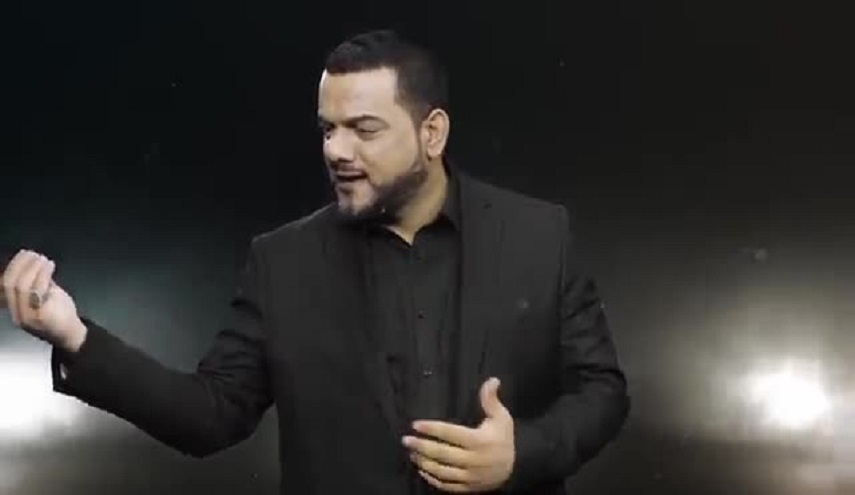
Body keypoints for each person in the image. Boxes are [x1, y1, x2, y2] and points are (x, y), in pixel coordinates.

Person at [1, 29, 629, 495]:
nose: (335, 150)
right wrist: (75, 336)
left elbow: (603, 391)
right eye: (328, 129)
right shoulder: (282, 262)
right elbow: (209, 416)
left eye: (363, 129)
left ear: (432, 133)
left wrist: (522, 455)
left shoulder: (539, 234)